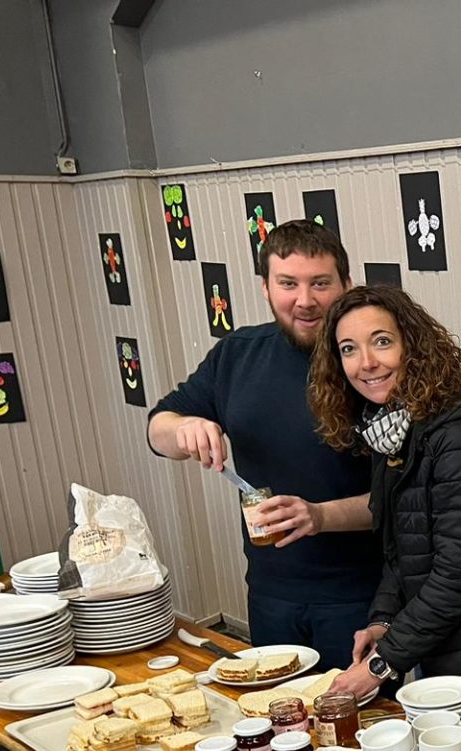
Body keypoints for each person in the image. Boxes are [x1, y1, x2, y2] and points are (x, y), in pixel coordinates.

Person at [147, 221, 380, 671]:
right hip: (270, 591)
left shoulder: (369, 364)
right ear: (265, 288)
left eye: (320, 283)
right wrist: (184, 428)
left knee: (359, 714)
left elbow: (408, 496)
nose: (305, 300)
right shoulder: (237, 354)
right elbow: (159, 428)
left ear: (346, 286)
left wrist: (319, 515)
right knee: (277, 709)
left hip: (363, 595)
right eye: (288, 284)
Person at [306, 285, 461, 697]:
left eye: (381, 342)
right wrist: (383, 620)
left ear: (413, 345)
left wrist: (380, 665)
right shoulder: (394, 425)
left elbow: (460, 575)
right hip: (438, 642)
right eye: (349, 349)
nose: (366, 363)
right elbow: (402, 548)